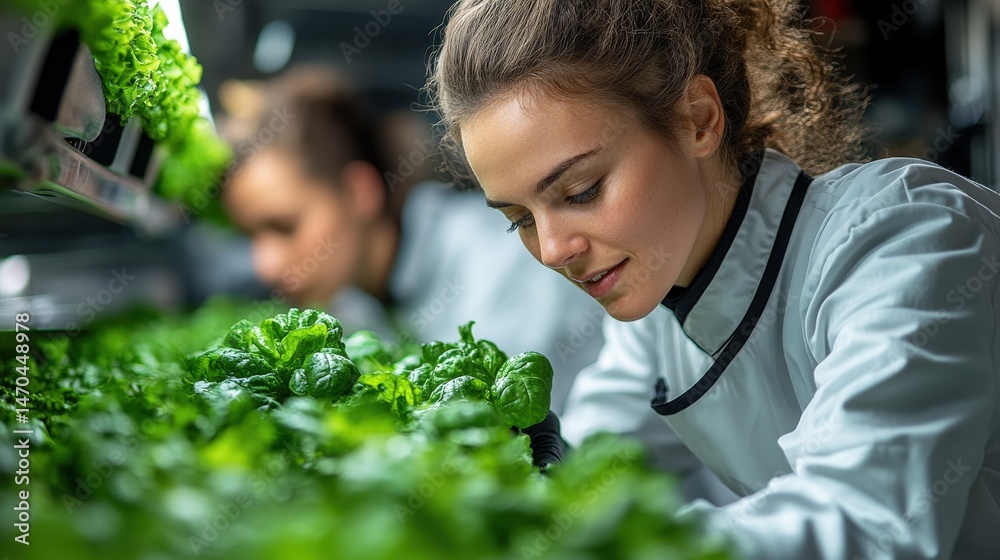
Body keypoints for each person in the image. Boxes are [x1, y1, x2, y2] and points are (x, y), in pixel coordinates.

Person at [426, 0, 1000, 558]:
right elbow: (590, 472)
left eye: (581, 191)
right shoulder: (661, 309)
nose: (552, 251)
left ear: (697, 119)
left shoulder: (903, 238)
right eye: (520, 220)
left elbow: (863, 524)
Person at [220, 66, 727, 489]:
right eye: (519, 218)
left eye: (283, 226)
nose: (264, 264)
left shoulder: (491, 272)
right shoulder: (359, 304)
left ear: (358, 193)